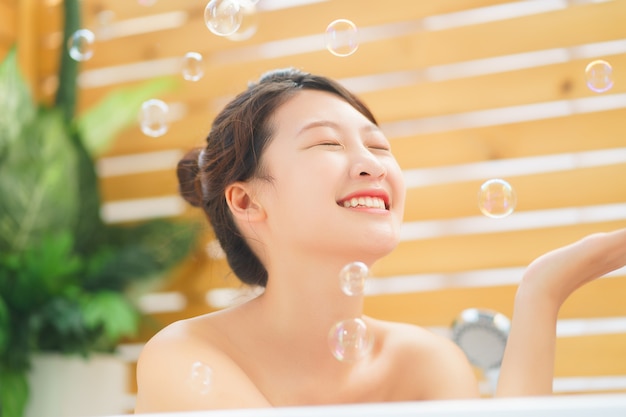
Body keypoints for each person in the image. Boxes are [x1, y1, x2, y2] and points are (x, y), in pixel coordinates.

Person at [134, 67, 626, 413]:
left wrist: (543, 292)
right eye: (327, 143)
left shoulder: (426, 362)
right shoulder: (186, 355)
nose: (372, 164)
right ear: (245, 202)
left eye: (378, 146)